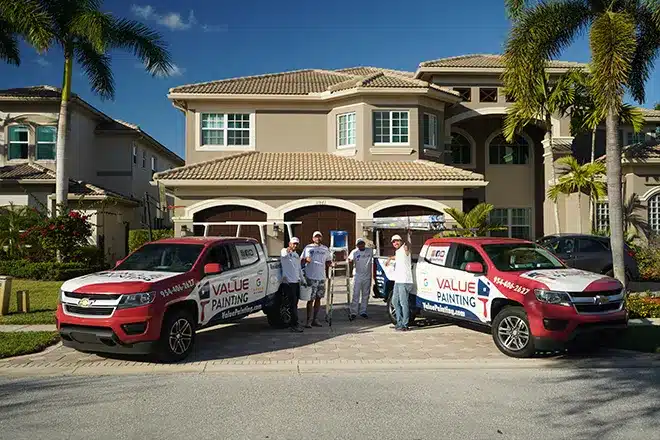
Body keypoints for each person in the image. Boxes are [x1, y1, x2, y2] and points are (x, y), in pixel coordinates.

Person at [301, 231, 332, 328]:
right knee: (310, 300)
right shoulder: (308, 247)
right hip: (311, 277)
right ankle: (308, 321)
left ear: (321, 238)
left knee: (318, 299)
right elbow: (301, 260)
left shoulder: (325, 249)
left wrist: (332, 264)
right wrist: (305, 260)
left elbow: (328, 261)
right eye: (316, 237)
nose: (317, 238)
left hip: (321, 277)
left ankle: (315, 319)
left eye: (319, 237)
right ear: (313, 238)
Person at [385, 234, 413, 331]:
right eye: (393, 241)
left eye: (397, 241)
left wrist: (408, 237)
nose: (395, 243)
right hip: (398, 281)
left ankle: (405, 324)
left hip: (404, 281)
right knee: (394, 301)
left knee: (403, 303)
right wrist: (389, 258)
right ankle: (399, 322)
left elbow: (407, 248)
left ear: (401, 241)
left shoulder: (405, 248)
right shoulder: (398, 252)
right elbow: (397, 257)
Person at [280, 237, 305, 332]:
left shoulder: (296, 255)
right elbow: (284, 254)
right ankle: (294, 324)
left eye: (296, 244)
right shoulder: (284, 252)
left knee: (295, 303)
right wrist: (288, 249)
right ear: (289, 243)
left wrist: (303, 280)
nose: (295, 245)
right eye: (293, 243)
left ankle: (294, 322)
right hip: (288, 282)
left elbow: (299, 269)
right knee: (292, 304)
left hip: (296, 282)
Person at [348, 237, 373, 320]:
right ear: (357, 245)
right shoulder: (354, 252)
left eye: (362, 243)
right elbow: (349, 259)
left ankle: (363, 311)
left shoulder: (370, 250)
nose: (361, 245)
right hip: (357, 276)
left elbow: (377, 253)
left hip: (367, 276)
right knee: (356, 294)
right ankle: (353, 312)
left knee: (365, 295)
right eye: (359, 244)